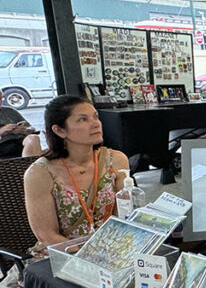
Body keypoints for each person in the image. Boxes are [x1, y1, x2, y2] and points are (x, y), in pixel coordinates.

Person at [24, 96, 130, 255]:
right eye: (82, 119)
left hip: (109, 250)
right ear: (59, 130)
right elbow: (46, 235)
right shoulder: (40, 173)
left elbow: (124, 217)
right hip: (62, 255)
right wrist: (87, 257)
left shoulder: (116, 160)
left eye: (95, 117)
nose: (96, 124)